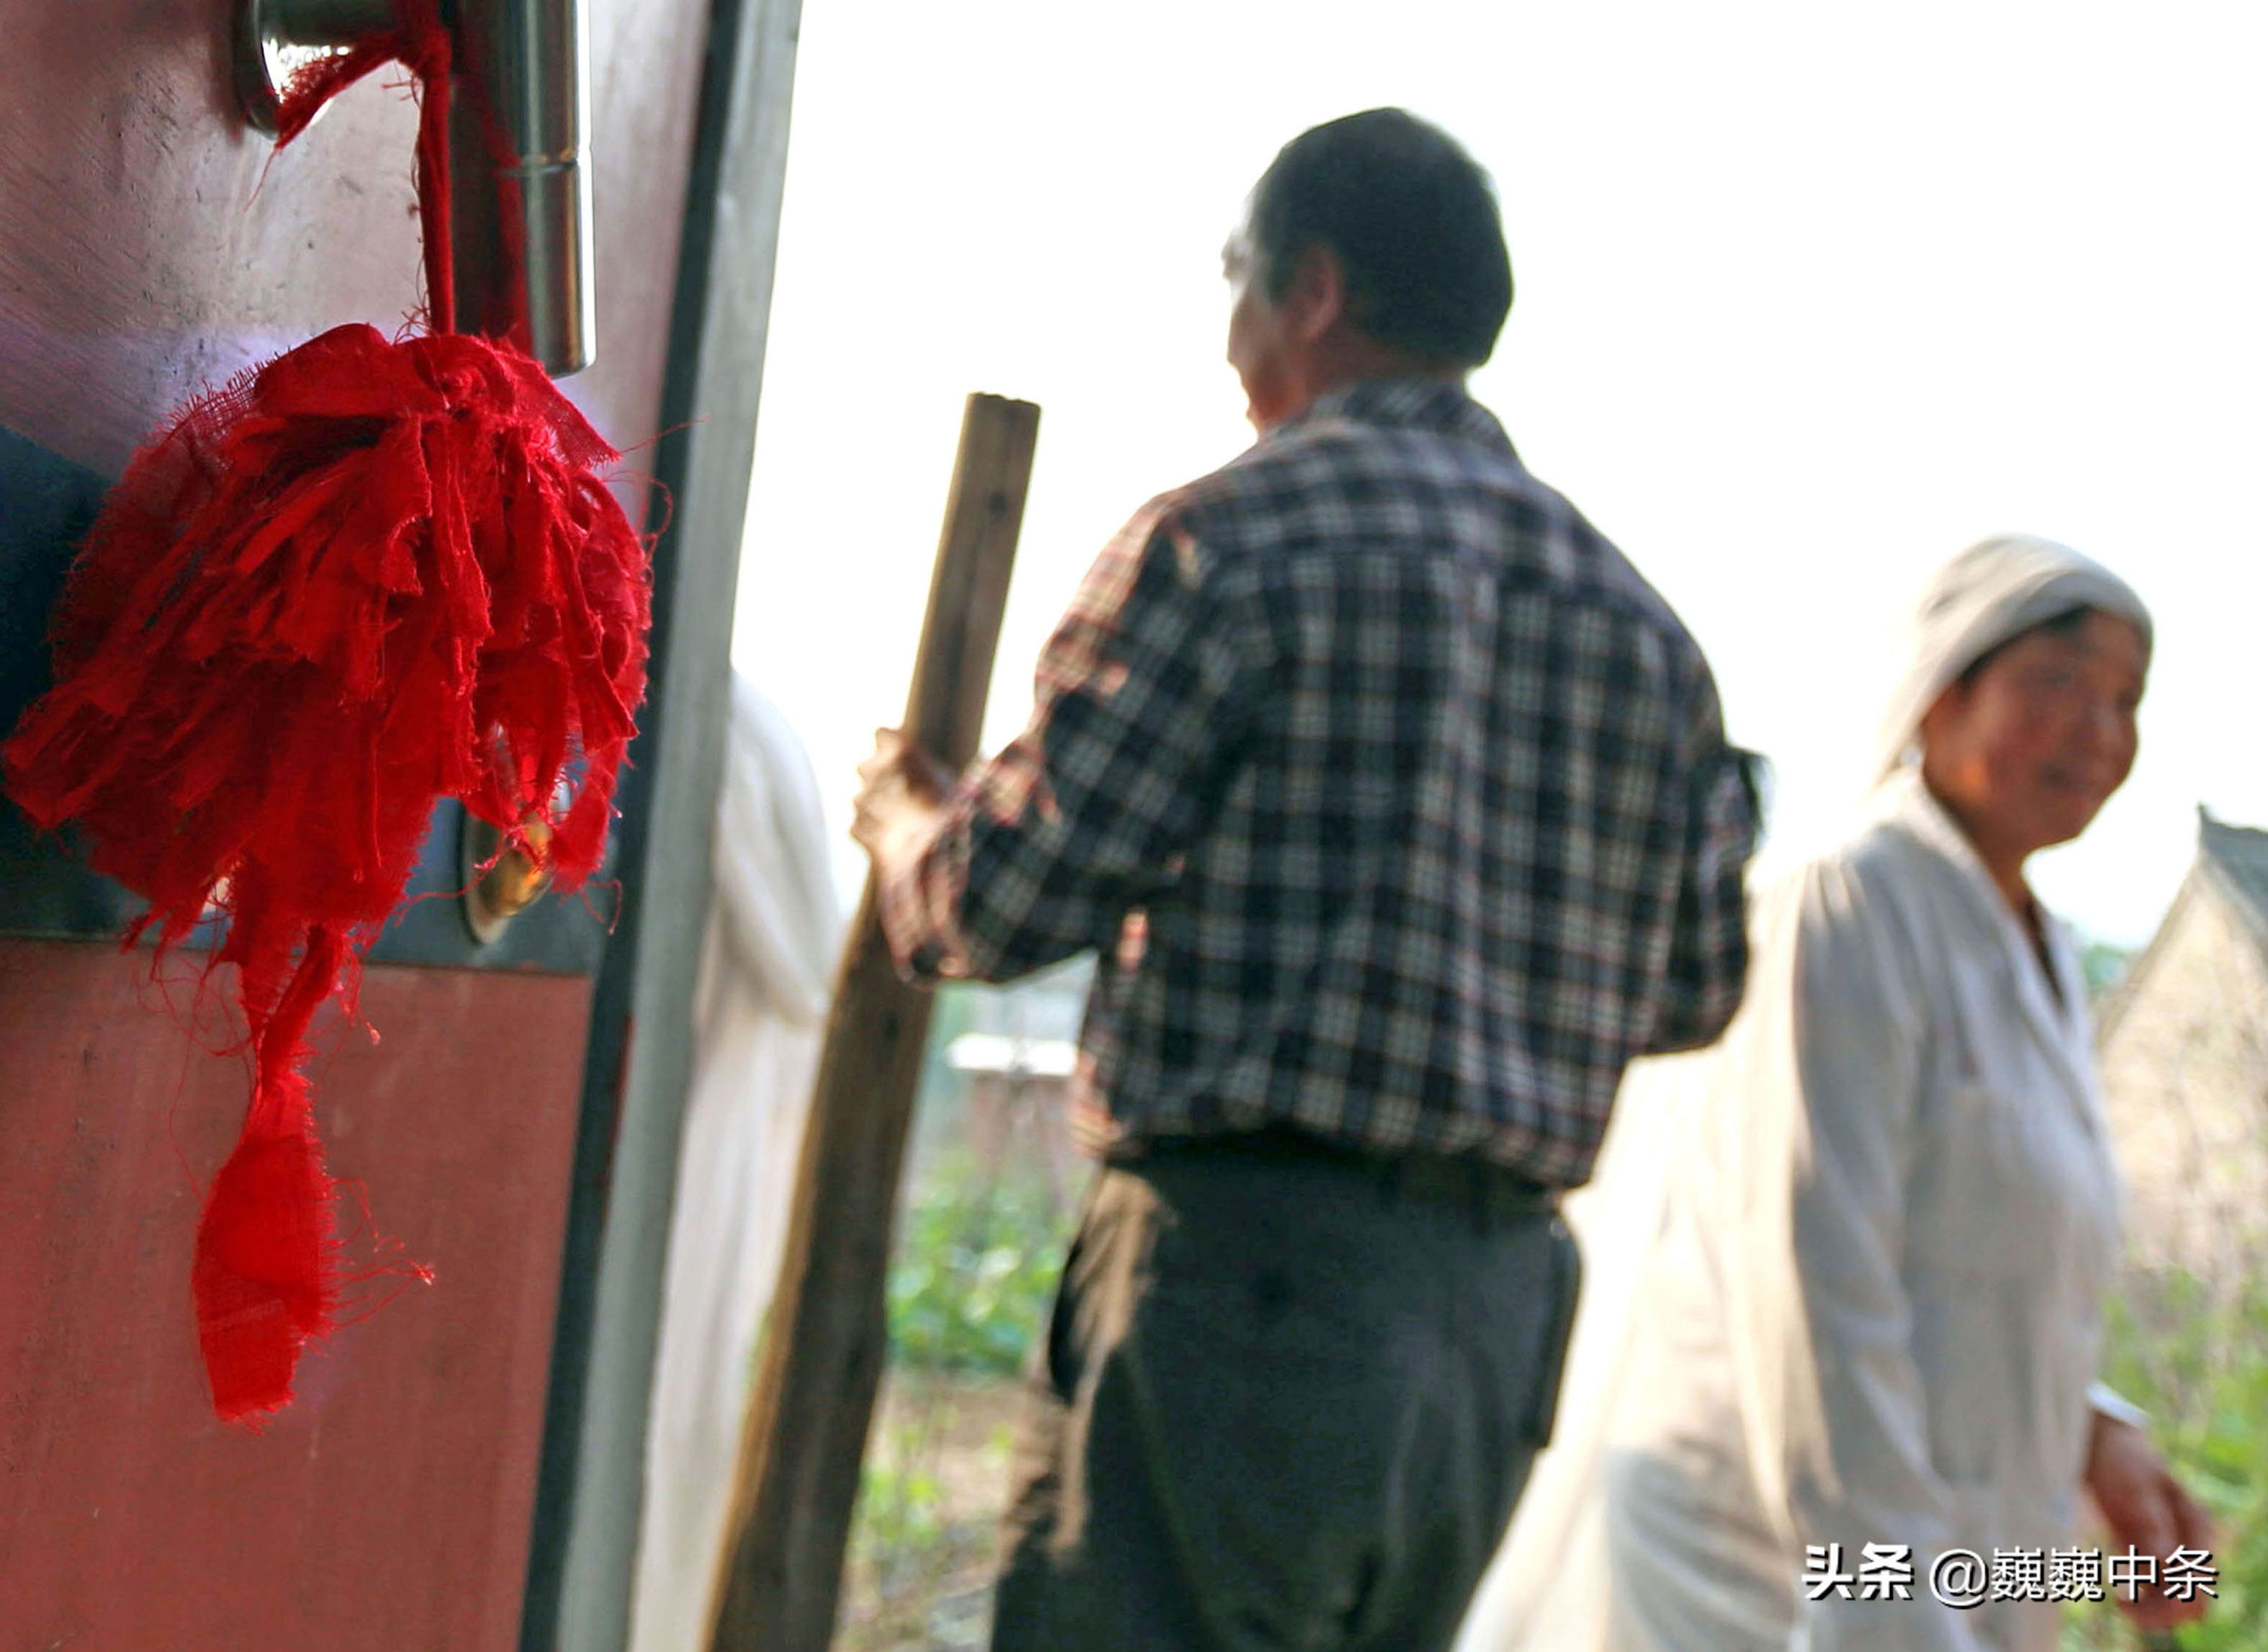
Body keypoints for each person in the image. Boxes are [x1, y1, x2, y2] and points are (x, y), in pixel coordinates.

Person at [851, 108, 1758, 1652]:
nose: (1229, 339)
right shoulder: (1644, 628)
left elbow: (992, 903)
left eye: (1240, 285)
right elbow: (1692, 989)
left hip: (1249, 1293)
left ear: (1316, 292)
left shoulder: (1233, 539)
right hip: (1493, 1322)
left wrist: (897, 824)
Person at [1461, 534, 2210, 1652]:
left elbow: (1972, 1272)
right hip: (1768, 1558)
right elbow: (1814, 1296)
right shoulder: (1844, 902)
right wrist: (1890, 1620)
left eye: (2124, 700)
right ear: (1938, 692)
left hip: (1945, 1547)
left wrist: (2091, 1430)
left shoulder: (2035, 943)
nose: (2099, 733)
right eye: (2056, 683)